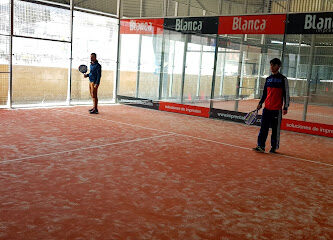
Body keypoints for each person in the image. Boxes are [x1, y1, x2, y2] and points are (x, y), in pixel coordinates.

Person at [253, 58, 290, 153]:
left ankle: (274, 147)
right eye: (271, 65)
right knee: (263, 128)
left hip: (277, 110)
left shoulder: (283, 79)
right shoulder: (268, 79)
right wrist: (260, 103)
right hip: (267, 109)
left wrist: (286, 107)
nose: (271, 67)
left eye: (273, 65)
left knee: (275, 130)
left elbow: (286, 94)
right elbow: (265, 93)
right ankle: (260, 146)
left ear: (278, 66)